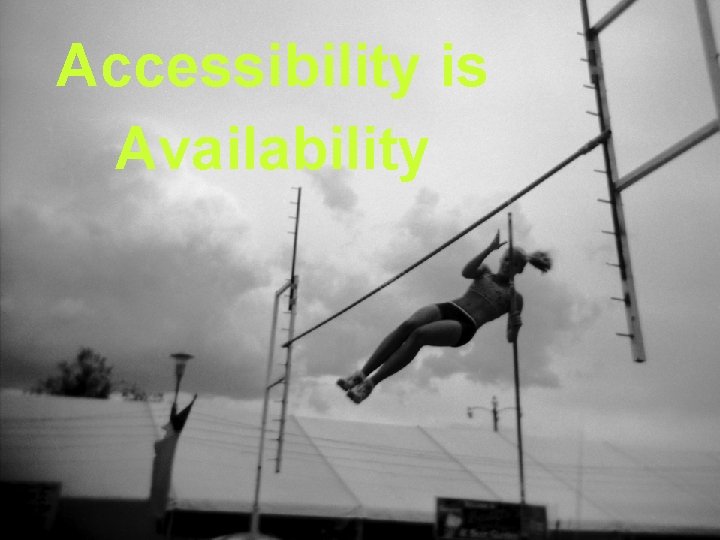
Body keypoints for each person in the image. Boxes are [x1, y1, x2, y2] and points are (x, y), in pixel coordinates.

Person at [336, 231, 552, 404]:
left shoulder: (514, 298)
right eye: (506, 259)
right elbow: (466, 272)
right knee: (409, 325)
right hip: (451, 307)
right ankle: (360, 375)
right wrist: (488, 249)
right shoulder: (484, 272)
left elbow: (511, 337)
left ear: (520, 269)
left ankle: (369, 385)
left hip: (465, 324)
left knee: (419, 335)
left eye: (513, 263)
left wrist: (517, 325)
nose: (506, 264)